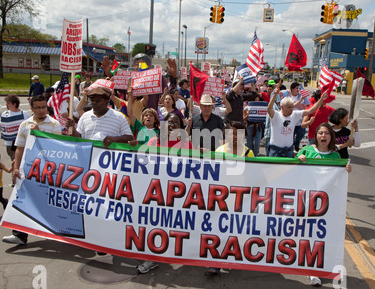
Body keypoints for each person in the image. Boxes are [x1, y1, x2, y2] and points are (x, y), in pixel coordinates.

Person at [138, 112, 194, 274]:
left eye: (176, 124)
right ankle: (152, 258)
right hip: (156, 193)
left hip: (178, 195)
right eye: (169, 122)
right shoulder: (154, 142)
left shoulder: (186, 145)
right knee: (155, 226)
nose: (172, 126)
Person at [2, 95, 63, 245]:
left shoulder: (54, 125)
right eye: (38, 107)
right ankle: (19, 234)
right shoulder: (25, 125)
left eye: (44, 107)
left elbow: (57, 148)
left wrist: (39, 133)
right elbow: (19, 148)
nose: (42, 110)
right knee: (22, 200)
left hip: (47, 170)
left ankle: (60, 231)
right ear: (32, 108)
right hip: (28, 169)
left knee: (49, 202)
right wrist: (16, 168)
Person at [296, 122, 351, 286]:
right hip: (307, 200)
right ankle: (311, 269)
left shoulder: (335, 156)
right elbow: (291, 173)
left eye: (326, 133)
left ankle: (319, 267)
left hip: (326, 204)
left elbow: (336, 181)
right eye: (320, 133)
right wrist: (298, 160)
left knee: (321, 236)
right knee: (308, 235)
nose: (323, 136)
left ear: (331, 136)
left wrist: (345, 171)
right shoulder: (307, 151)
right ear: (316, 135)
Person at [206, 121, 254, 276]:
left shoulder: (249, 153)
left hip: (239, 198)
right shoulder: (219, 150)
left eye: (237, 132)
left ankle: (232, 256)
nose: (234, 136)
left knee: (234, 231)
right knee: (219, 231)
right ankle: (215, 264)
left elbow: (253, 177)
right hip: (221, 197)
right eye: (231, 132)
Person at [267, 83, 329, 158]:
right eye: (289, 107)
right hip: (275, 150)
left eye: (292, 107)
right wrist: (274, 95)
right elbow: (269, 109)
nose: (291, 109)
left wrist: (321, 99)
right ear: (282, 107)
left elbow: (310, 111)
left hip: (288, 150)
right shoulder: (276, 115)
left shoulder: (294, 114)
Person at [66, 85, 133, 147]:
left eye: (98, 101)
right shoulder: (85, 117)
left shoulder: (119, 117)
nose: (94, 103)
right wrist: (72, 129)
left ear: (107, 101)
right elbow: (79, 138)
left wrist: (115, 139)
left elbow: (129, 138)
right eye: (92, 101)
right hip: (87, 157)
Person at [0, 95, 30, 161]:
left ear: (14, 104)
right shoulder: (5, 114)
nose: (6, 105)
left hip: (22, 142)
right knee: (14, 160)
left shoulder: (24, 114)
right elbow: (5, 131)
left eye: (8, 103)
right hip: (9, 143)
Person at [279, 82, 310, 152]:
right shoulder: (287, 97)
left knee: (301, 133)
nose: (298, 90)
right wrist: (300, 101)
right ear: (292, 89)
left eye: (299, 88)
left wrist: (303, 100)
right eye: (296, 88)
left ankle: (297, 143)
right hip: (290, 120)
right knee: (290, 135)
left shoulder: (301, 95)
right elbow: (292, 106)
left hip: (299, 120)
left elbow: (307, 104)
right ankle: (291, 148)